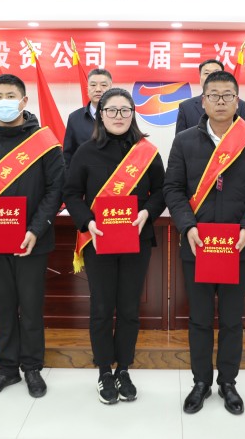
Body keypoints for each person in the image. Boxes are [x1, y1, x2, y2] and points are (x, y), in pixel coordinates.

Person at [164, 70, 245, 416]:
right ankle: (201, 382)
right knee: (199, 319)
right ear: (203, 101)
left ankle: (228, 382)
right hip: (197, 245)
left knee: (231, 319)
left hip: (237, 246)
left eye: (227, 95)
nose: (221, 101)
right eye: (214, 95)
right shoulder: (184, 141)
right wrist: (187, 226)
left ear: (237, 101)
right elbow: (173, 189)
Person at [0, 73, 64, 399]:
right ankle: (6, 369)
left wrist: (36, 229)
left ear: (24, 101)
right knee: (3, 306)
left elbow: (55, 190)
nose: (4, 102)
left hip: (32, 240)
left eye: (10, 96)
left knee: (31, 307)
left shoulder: (45, 142)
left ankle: (32, 367)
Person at [63, 88, 165, 405]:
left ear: (133, 114)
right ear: (101, 114)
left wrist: (147, 212)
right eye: (111, 110)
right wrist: (87, 222)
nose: (118, 116)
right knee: (102, 307)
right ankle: (104, 371)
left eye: (125, 110)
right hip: (98, 240)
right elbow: (71, 193)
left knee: (130, 308)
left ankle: (124, 369)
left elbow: (163, 191)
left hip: (137, 239)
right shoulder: (85, 152)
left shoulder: (147, 152)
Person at [175, 59, 245, 134]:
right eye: (206, 73)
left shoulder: (239, 104)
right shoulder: (186, 107)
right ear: (200, 79)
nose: (211, 77)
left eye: (216, 73)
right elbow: (181, 139)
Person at [63, 68, 112, 169]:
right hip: (84, 175)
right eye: (93, 85)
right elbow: (68, 156)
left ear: (111, 89)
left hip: (115, 176)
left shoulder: (121, 116)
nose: (98, 89)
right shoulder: (74, 118)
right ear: (87, 89)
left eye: (103, 85)